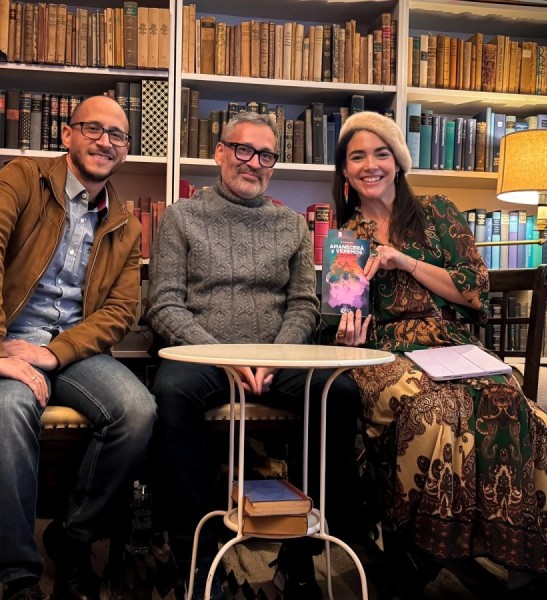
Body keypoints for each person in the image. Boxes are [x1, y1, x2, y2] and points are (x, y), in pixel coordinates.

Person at [330, 111, 547, 599]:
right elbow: (346, 314)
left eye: (381, 153)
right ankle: (420, 552)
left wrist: (403, 260)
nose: (370, 165)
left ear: (398, 161)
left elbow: (475, 290)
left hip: (454, 345)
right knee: (433, 409)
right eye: (357, 157)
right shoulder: (345, 237)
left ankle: (518, 558)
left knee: (508, 401)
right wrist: (347, 335)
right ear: (345, 171)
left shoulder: (437, 212)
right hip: (386, 350)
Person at [147, 111, 363, 600]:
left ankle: (299, 554)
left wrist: (278, 355)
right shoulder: (181, 216)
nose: (253, 162)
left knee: (340, 394)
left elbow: (304, 304)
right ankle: (198, 557)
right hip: (202, 355)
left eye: (266, 155)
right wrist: (222, 356)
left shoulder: (291, 225)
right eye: (243, 150)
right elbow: (164, 305)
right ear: (220, 153)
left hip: (275, 356)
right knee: (171, 393)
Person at [0, 95, 157, 600]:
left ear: (126, 149)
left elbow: (119, 311)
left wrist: (56, 352)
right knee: (7, 404)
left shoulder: (126, 223)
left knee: (138, 412)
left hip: (69, 350)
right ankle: (18, 576)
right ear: (67, 134)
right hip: (0, 338)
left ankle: (72, 536)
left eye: (117, 135)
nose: (105, 142)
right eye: (93, 128)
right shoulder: (23, 177)